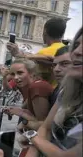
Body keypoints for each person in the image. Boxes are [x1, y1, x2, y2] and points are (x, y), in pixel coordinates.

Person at [20, 26, 83, 157]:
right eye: (76, 45)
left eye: (64, 63)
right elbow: (46, 127)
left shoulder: (40, 87)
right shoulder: (66, 92)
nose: (77, 51)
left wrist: (31, 135)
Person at [7, 18, 67, 87]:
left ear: (45, 31)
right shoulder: (65, 49)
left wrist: (19, 55)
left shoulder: (46, 52)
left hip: (47, 92)